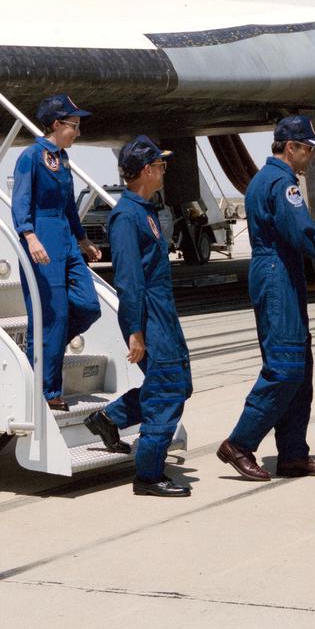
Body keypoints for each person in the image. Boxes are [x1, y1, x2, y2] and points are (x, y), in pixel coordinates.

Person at [218, 116, 315, 481]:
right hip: (278, 275)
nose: (311, 156)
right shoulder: (281, 184)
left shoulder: (265, 180)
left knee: (300, 370)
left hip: (279, 273)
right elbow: (302, 234)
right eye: (308, 149)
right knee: (286, 367)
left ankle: (293, 453)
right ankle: (240, 443)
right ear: (290, 147)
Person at [83, 137, 193, 497]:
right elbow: (129, 281)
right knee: (166, 390)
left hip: (163, 311)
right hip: (149, 316)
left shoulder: (145, 211)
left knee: (180, 383)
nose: (164, 170)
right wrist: (136, 331)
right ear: (147, 170)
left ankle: (111, 417)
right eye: (160, 165)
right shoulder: (127, 217)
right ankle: (148, 475)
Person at [12, 94, 103, 410]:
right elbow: (21, 200)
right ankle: (49, 391)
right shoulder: (32, 157)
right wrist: (29, 236)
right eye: (73, 125)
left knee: (89, 306)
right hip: (41, 238)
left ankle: (44, 351)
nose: (77, 132)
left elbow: (68, 204)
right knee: (52, 315)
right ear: (55, 124)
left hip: (65, 237)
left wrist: (83, 239)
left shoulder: (62, 160)